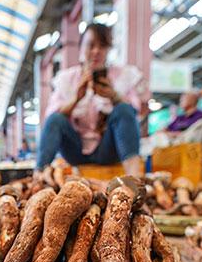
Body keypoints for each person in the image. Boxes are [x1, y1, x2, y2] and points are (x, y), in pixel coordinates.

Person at [38, 23, 148, 176]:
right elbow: (50, 117)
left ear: (108, 49)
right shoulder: (66, 79)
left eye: (102, 46)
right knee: (55, 119)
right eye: (91, 45)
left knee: (124, 109)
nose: (96, 51)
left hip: (109, 150)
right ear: (81, 47)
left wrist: (114, 96)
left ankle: (134, 178)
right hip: (75, 150)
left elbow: (137, 111)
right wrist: (76, 98)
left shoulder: (123, 76)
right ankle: (38, 174)